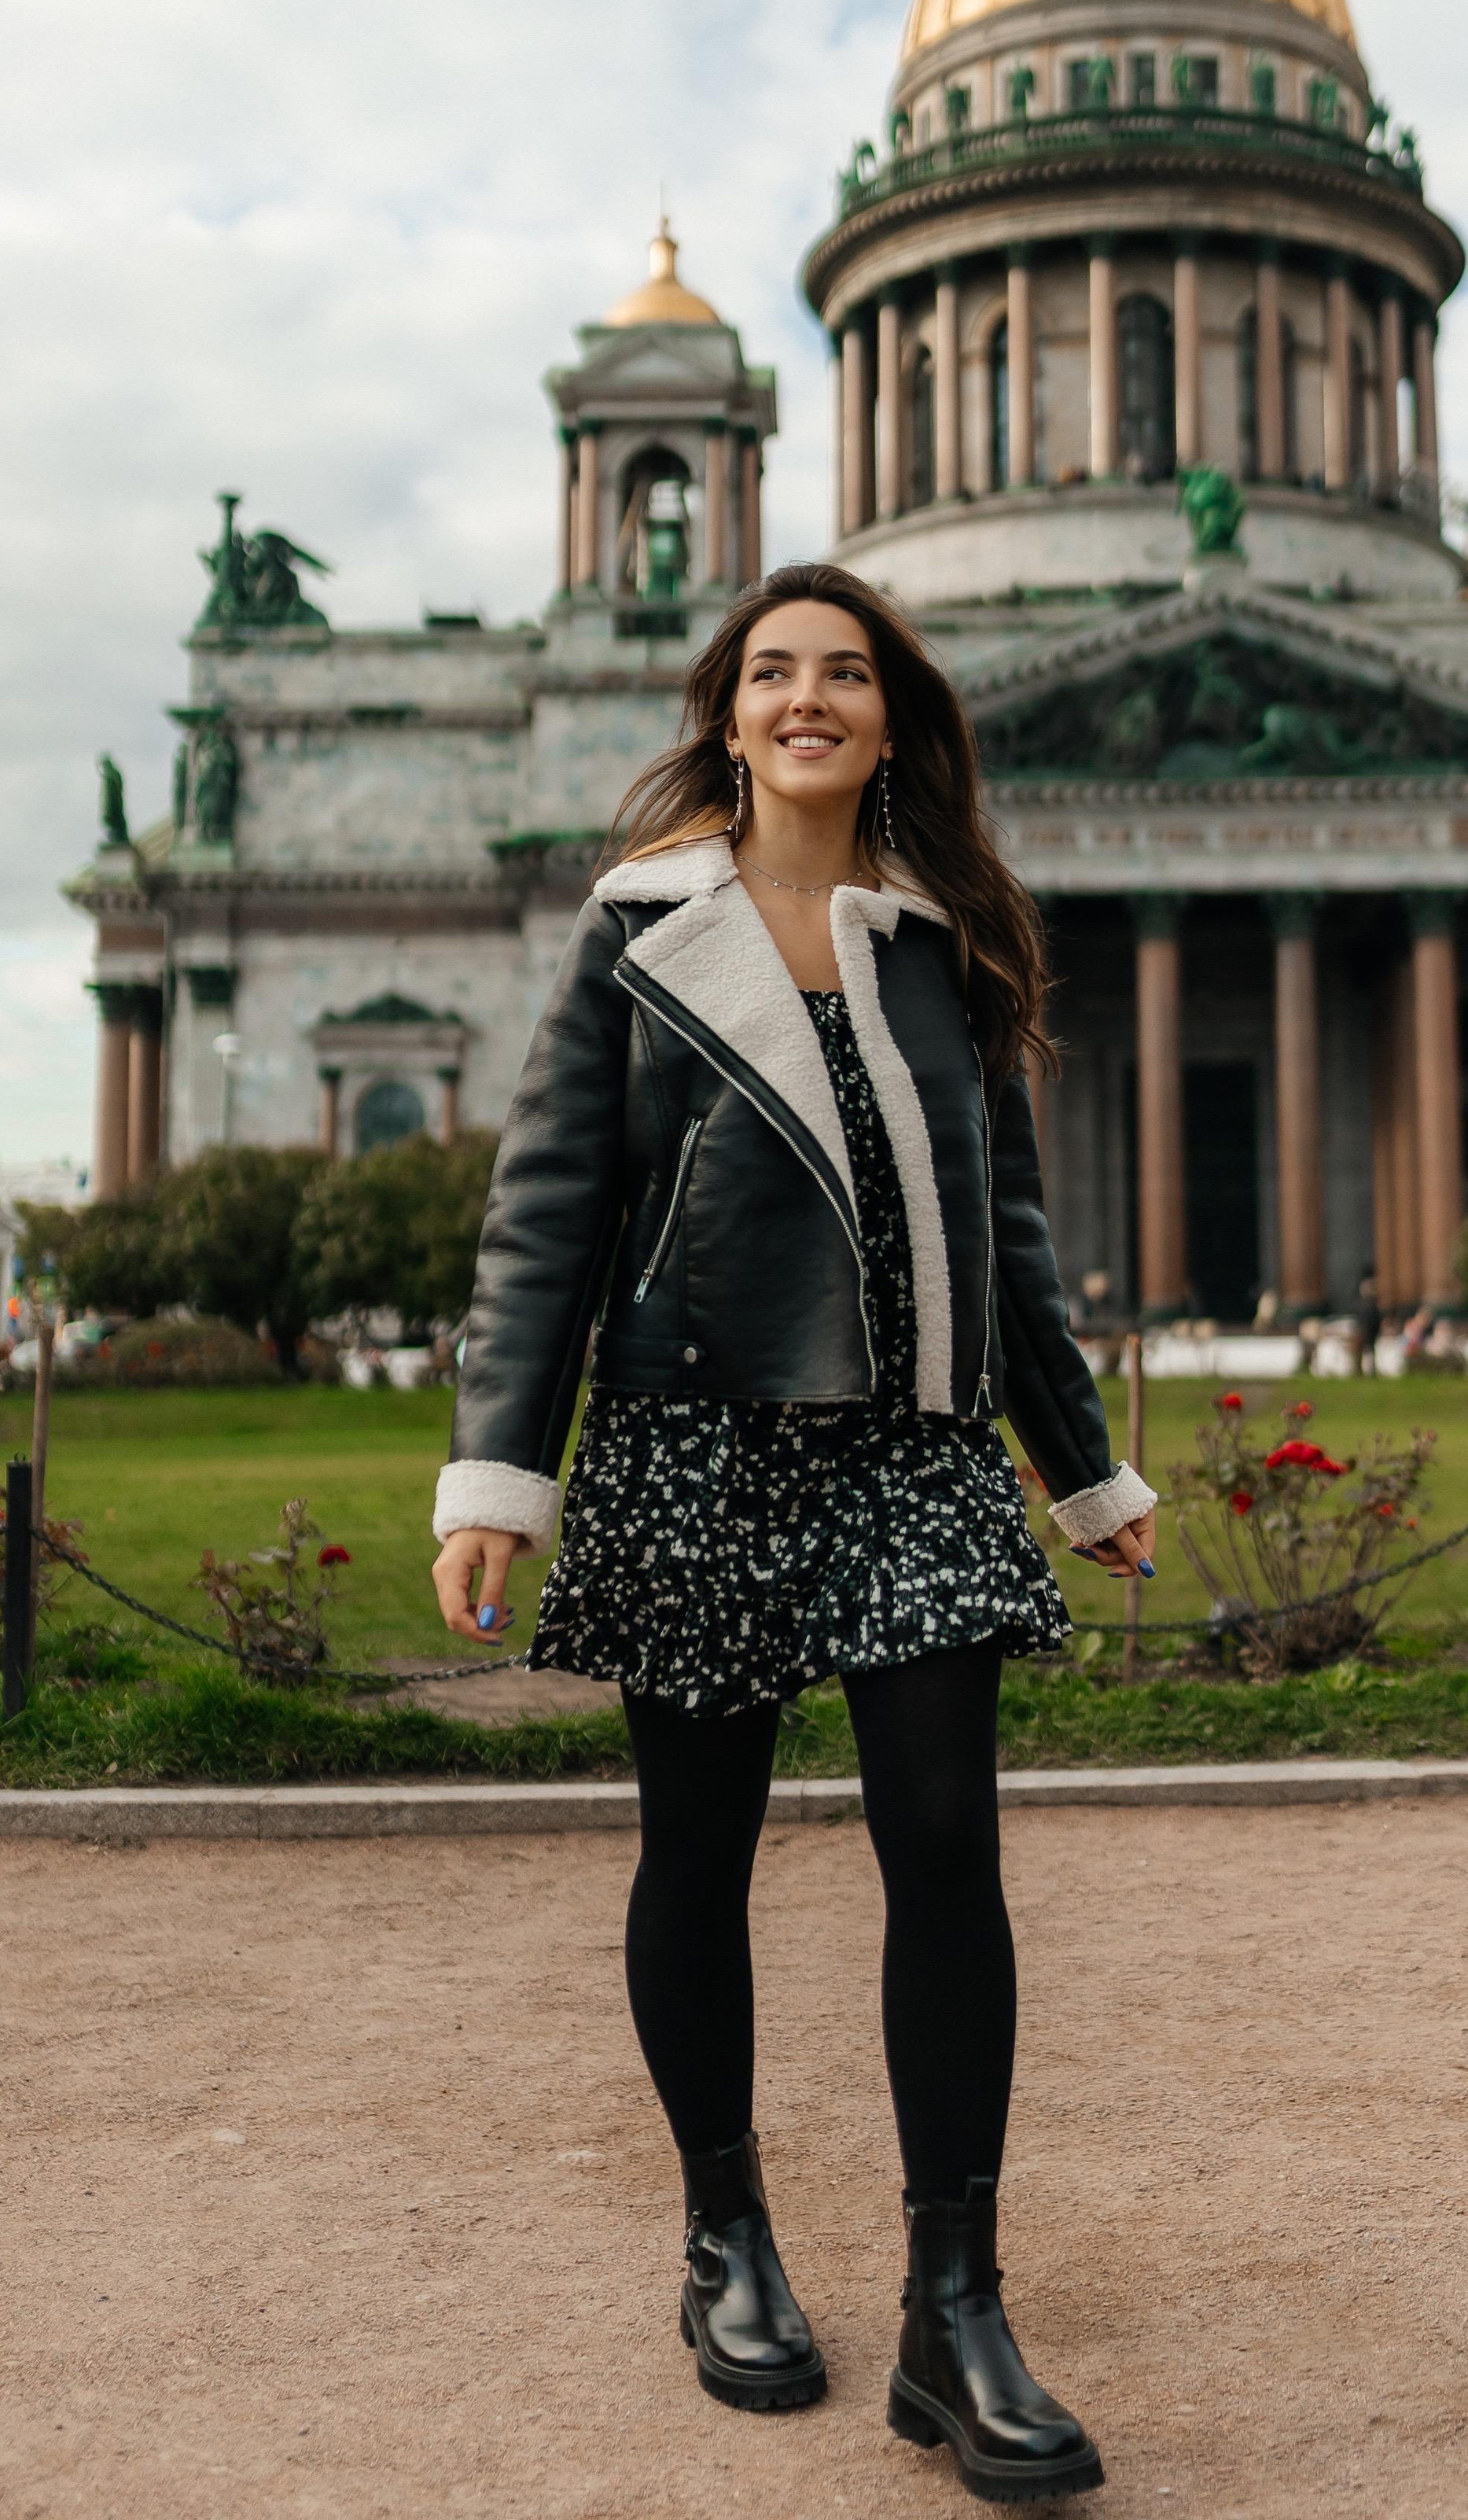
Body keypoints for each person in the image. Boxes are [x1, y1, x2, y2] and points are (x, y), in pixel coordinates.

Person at [431, 562, 1155, 2504]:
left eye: (845, 673)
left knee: (947, 1846)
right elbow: (545, 1215)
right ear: (728, 718)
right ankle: (725, 2238)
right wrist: (497, 1470)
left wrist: (1084, 1469)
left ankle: (954, 2308)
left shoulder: (948, 945)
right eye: (774, 674)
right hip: (693, 1435)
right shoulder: (635, 930)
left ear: (891, 721)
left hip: (908, 1450)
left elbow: (1002, 1239)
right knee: (701, 1850)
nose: (809, 698)